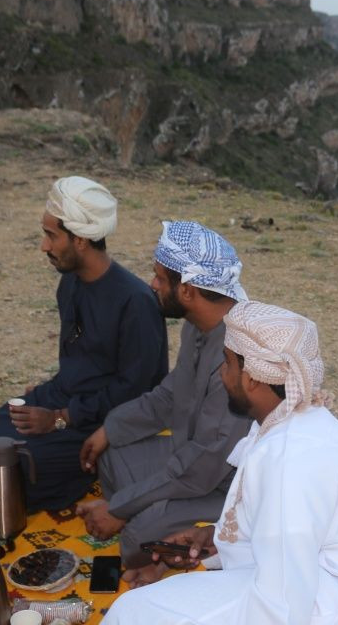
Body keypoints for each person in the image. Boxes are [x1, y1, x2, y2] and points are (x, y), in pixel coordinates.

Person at [101, 301, 338, 625]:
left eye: (228, 362)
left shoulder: (290, 458)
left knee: (132, 613)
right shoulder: (287, 422)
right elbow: (279, 535)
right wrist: (215, 541)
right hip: (311, 578)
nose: (222, 372)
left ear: (251, 379)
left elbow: (284, 602)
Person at [0, 176, 168, 511]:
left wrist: (60, 418)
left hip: (108, 418)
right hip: (63, 398)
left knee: (21, 469)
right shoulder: (69, 284)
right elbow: (76, 361)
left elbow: (136, 390)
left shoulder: (135, 301)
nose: (44, 246)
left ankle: (89, 466)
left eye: (52, 235)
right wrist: (46, 401)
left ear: (81, 239)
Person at [76, 221, 253, 576]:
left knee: (137, 537)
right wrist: (110, 429)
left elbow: (202, 467)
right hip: (189, 459)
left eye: (159, 278)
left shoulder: (237, 356)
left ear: (187, 291)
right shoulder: (198, 323)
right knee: (112, 455)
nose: (153, 285)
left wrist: (121, 508)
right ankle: (146, 512)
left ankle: (165, 530)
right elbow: (171, 394)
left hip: (232, 488)